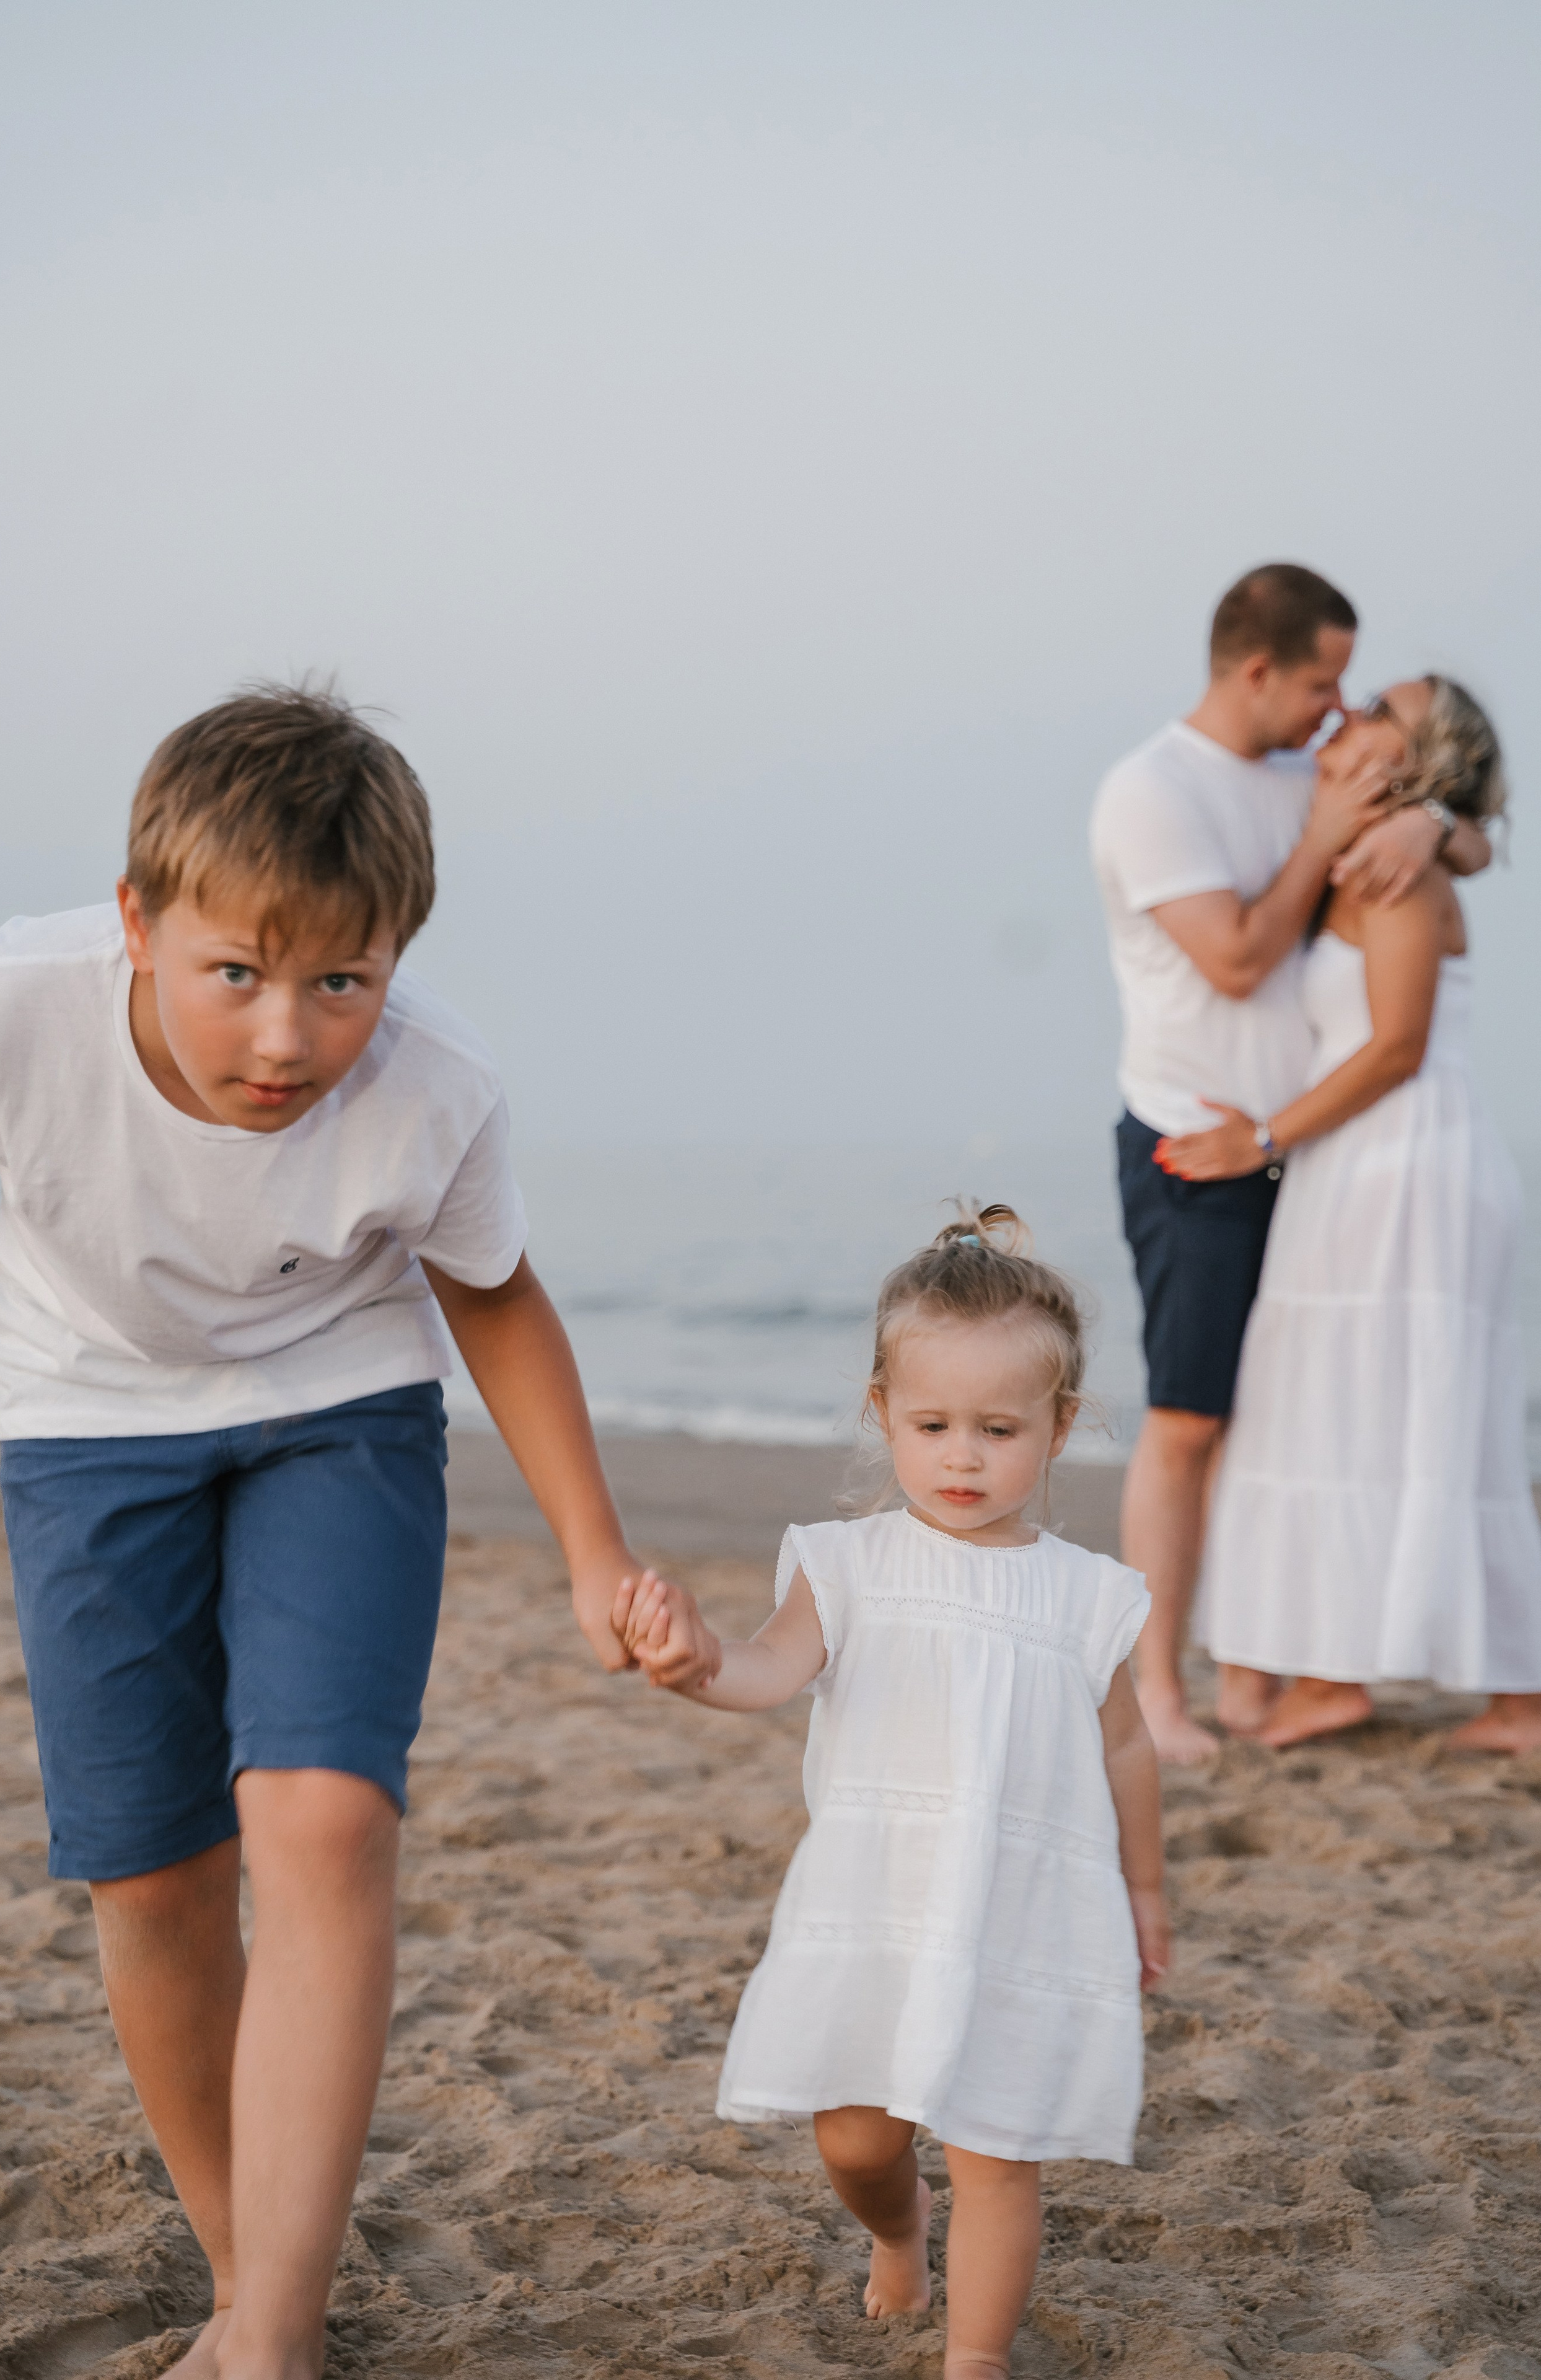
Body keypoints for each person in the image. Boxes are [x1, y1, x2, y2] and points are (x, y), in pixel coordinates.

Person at [0, 685, 716, 2380]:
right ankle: (250, 2279)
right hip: (89, 1426)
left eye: (342, 984)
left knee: (322, 1824)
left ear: (397, 952)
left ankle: (275, 2341)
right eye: (237, 975)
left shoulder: (434, 1090)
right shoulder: (5, 1006)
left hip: (339, 1412)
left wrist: (596, 1554)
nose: (287, 1039)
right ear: (141, 923)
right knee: (151, 1877)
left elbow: (499, 1306)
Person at [615, 1208, 1168, 2379]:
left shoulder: (1087, 1598)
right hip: (877, 1907)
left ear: (1062, 1429)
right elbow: (768, 1668)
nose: (963, 1457)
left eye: (999, 1428)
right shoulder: (847, 1566)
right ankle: (899, 2231)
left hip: (1018, 1912)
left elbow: (1125, 1749)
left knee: (997, 2153)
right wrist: (701, 1662)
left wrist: (1146, 1891)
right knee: (859, 2139)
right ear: (883, 1416)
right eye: (933, 1425)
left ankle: (977, 2356)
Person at [1089, 563, 1491, 1762]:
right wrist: (1343, 825)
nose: (1339, 707)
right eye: (1322, 681)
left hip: (1312, 1154)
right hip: (1202, 1145)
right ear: (1256, 670)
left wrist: (1437, 819)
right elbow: (1237, 957)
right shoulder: (1151, 791)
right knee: (1186, 1420)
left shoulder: (1297, 772)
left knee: (1285, 1423)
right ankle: (1160, 1687)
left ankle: (1268, 1676)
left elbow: (1452, 835)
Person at [1158, 679, 1541, 1752]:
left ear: (1413, 763)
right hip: (1359, 1164)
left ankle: (1345, 1679)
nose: (1349, 710)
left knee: (1358, 1410)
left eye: (1380, 705)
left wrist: (1261, 1139)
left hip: (1407, 1165)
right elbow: (1476, 838)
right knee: (1361, 1409)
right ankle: (1497, 1694)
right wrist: (1443, 822)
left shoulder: (1397, 873)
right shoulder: (1381, 841)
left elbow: (1397, 1046)